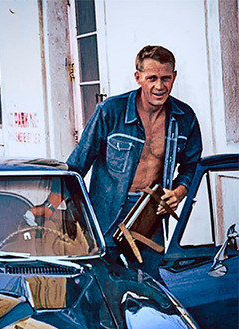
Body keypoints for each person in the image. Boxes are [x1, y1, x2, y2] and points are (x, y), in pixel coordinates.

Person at [66, 45, 202, 266]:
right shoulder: (110, 111)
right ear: (138, 77)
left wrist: (178, 193)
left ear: (174, 77)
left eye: (166, 78)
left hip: (149, 215)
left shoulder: (185, 118)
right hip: (105, 212)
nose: (160, 86)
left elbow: (192, 166)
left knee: (150, 284)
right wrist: (51, 206)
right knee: (104, 285)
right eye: (152, 78)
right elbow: (77, 164)